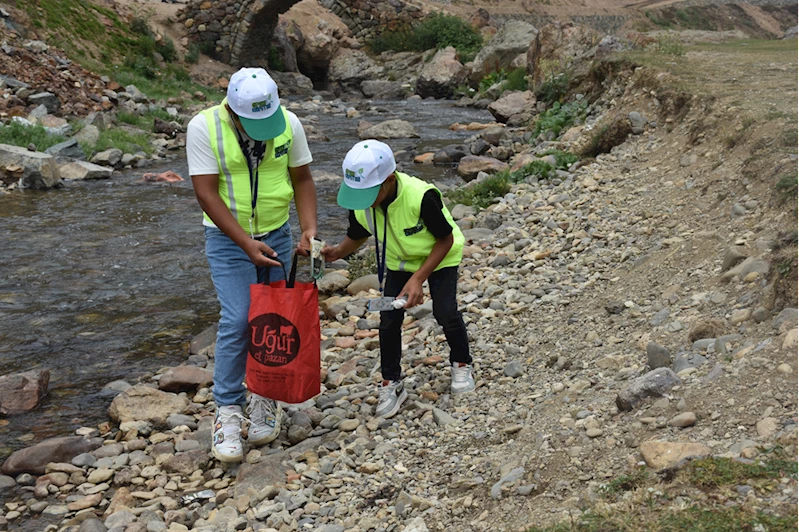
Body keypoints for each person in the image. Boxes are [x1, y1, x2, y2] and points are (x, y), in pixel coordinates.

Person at [186, 67, 318, 462]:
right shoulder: (204, 127)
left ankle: (264, 396)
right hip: (228, 239)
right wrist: (245, 243)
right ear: (233, 110)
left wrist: (308, 229)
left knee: (274, 320)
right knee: (240, 318)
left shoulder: (289, 124)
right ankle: (227, 410)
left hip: (277, 232)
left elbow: (303, 179)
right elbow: (206, 194)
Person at [322, 140, 474, 419]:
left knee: (445, 311)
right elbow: (358, 234)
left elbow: (445, 239)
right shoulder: (361, 200)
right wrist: (335, 252)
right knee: (389, 321)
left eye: (368, 192)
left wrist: (419, 279)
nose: (361, 199)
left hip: (440, 256)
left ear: (389, 181)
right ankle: (391, 382)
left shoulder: (421, 196)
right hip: (399, 261)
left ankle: (462, 362)